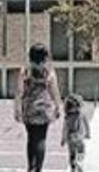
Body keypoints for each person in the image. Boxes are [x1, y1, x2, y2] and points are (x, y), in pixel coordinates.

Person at [15, 43, 62, 172]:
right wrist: (58, 106)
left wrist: (17, 109)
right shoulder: (49, 72)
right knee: (41, 138)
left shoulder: (25, 71)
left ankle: (31, 166)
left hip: (29, 108)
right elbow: (54, 91)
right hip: (44, 109)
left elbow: (19, 91)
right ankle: (38, 169)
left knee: (31, 138)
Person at [60, 94, 91, 172]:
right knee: (81, 151)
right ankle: (79, 162)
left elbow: (65, 129)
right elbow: (86, 124)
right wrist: (88, 133)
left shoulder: (67, 117)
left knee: (72, 153)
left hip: (70, 138)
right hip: (80, 137)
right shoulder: (81, 115)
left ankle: (73, 167)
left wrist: (63, 139)